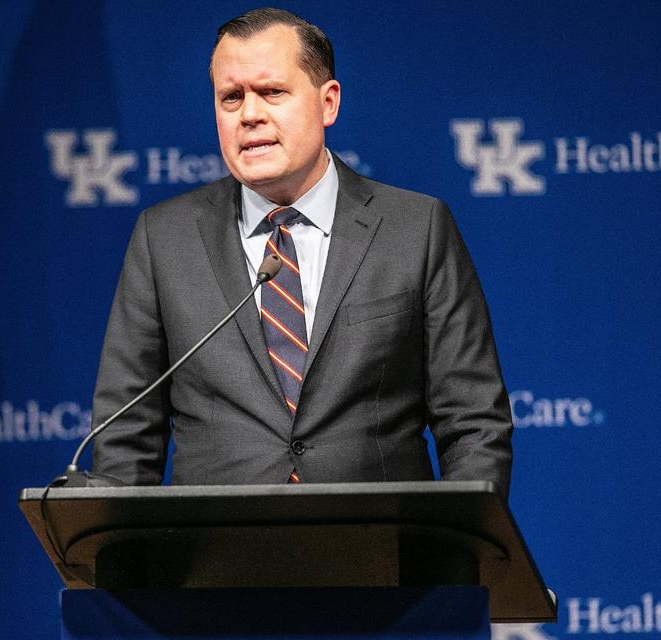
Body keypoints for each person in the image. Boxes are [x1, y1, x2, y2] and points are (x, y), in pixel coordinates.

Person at [91, 7, 513, 495]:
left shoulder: (416, 228)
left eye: (272, 92)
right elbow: (125, 436)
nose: (250, 114)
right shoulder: (165, 238)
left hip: (383, 539)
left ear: (328, 102)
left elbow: (473, 421)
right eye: (231, 97)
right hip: (217, 540)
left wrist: (462, 533)